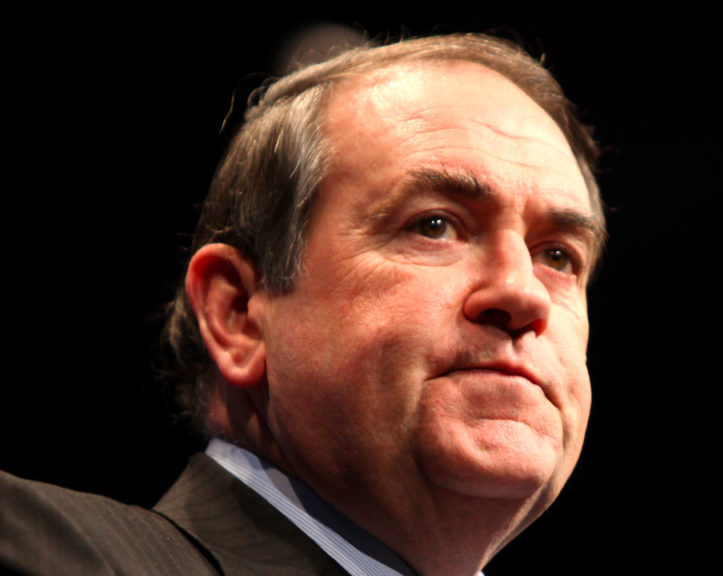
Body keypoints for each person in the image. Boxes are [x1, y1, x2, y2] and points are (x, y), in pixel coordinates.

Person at [0, 32, 606, 576]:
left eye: (558, 257)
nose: (524, 293)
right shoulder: (37, 549)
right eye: (435, 225)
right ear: (238, 315)